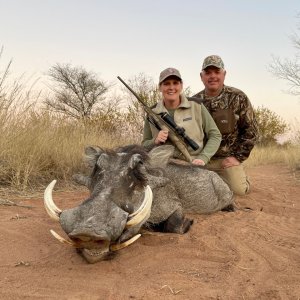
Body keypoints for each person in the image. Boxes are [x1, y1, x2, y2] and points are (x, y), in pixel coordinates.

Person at [193, 55, 259, 195]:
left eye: (217, 72)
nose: (212, 76)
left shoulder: (238, 97)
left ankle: (240, 178)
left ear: (224, 74)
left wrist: (237, 157)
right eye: (208, 73)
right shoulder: (194, 102)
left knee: (238, 191)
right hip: (202, 160)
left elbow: (251, 131)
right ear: (201, 76)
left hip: (227, 160)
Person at [142, 67, 222, 166]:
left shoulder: (196, 106)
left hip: (193, 163)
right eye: (166, 84)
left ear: (181, 85)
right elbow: (144, 145)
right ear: (160, 87)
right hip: (161, 164)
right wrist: (155, 140)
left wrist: (203, 158)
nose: (171, 87)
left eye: (175, 83)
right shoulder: (152, 112)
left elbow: (215, 135)